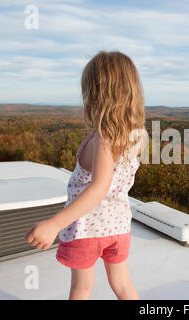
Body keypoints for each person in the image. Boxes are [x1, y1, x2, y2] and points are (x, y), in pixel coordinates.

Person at [25, 51, 146, 300]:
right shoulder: (138, 134)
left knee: (82, 288)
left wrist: (54, 224)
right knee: (122, 284)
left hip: (86, 230)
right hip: (119, 226)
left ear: (95, 94)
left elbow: (100, 187)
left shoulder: (103, 138)